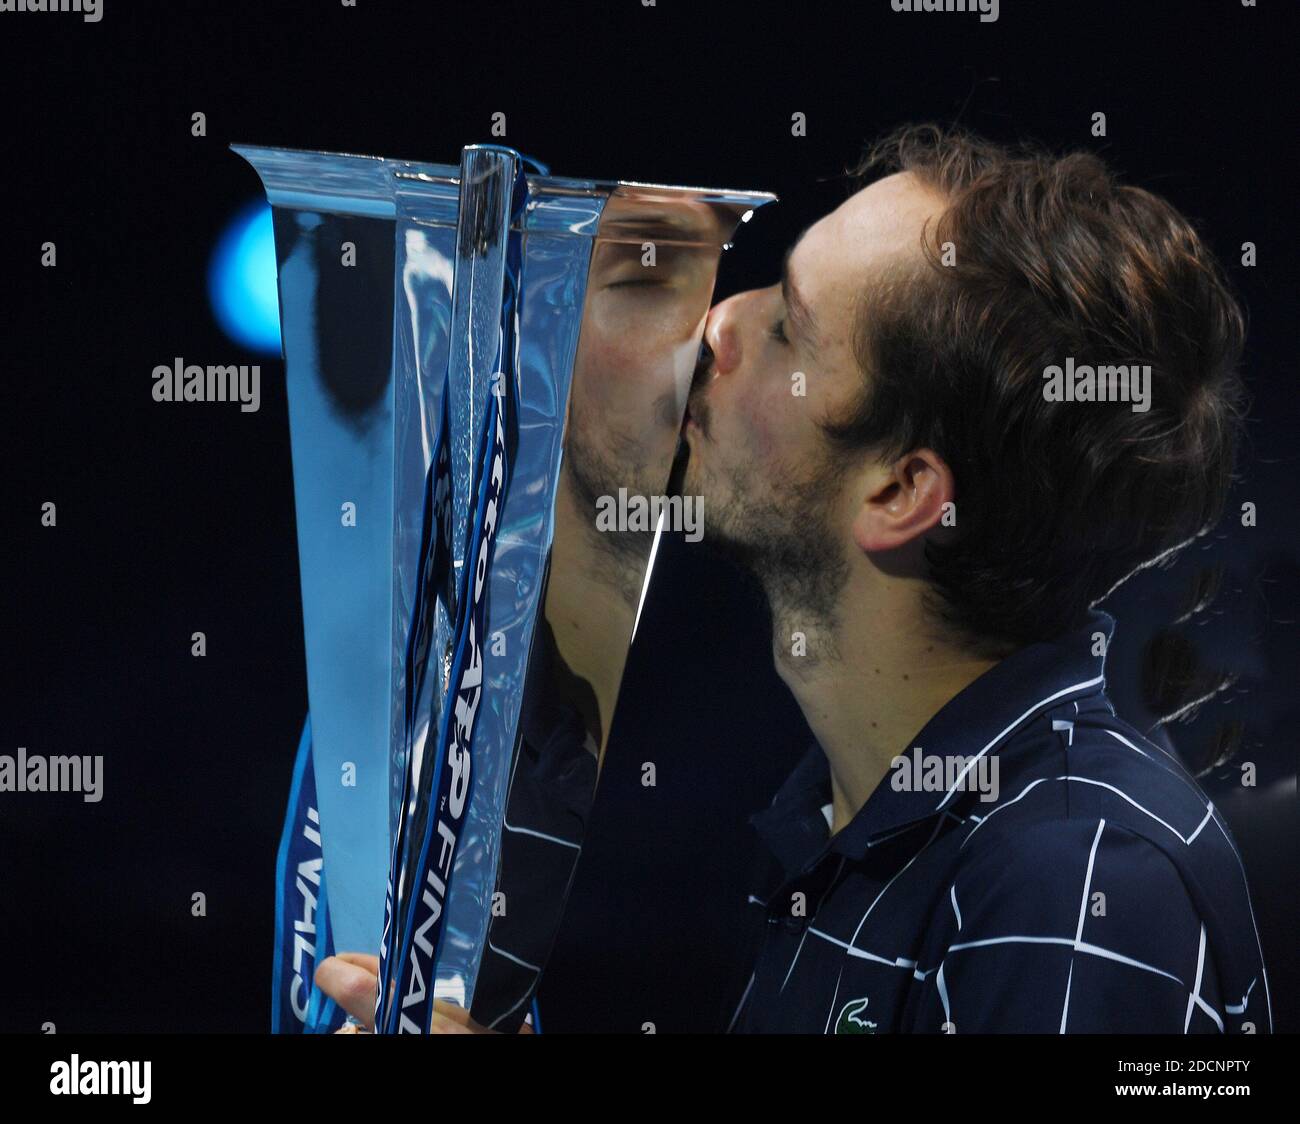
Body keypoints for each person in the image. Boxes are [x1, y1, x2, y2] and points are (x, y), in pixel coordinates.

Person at [317, 123, 1270, 1034]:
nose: (719, 322)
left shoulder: (1075, 880)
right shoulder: (861, 811)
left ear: (901, 490)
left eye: (788, 329)